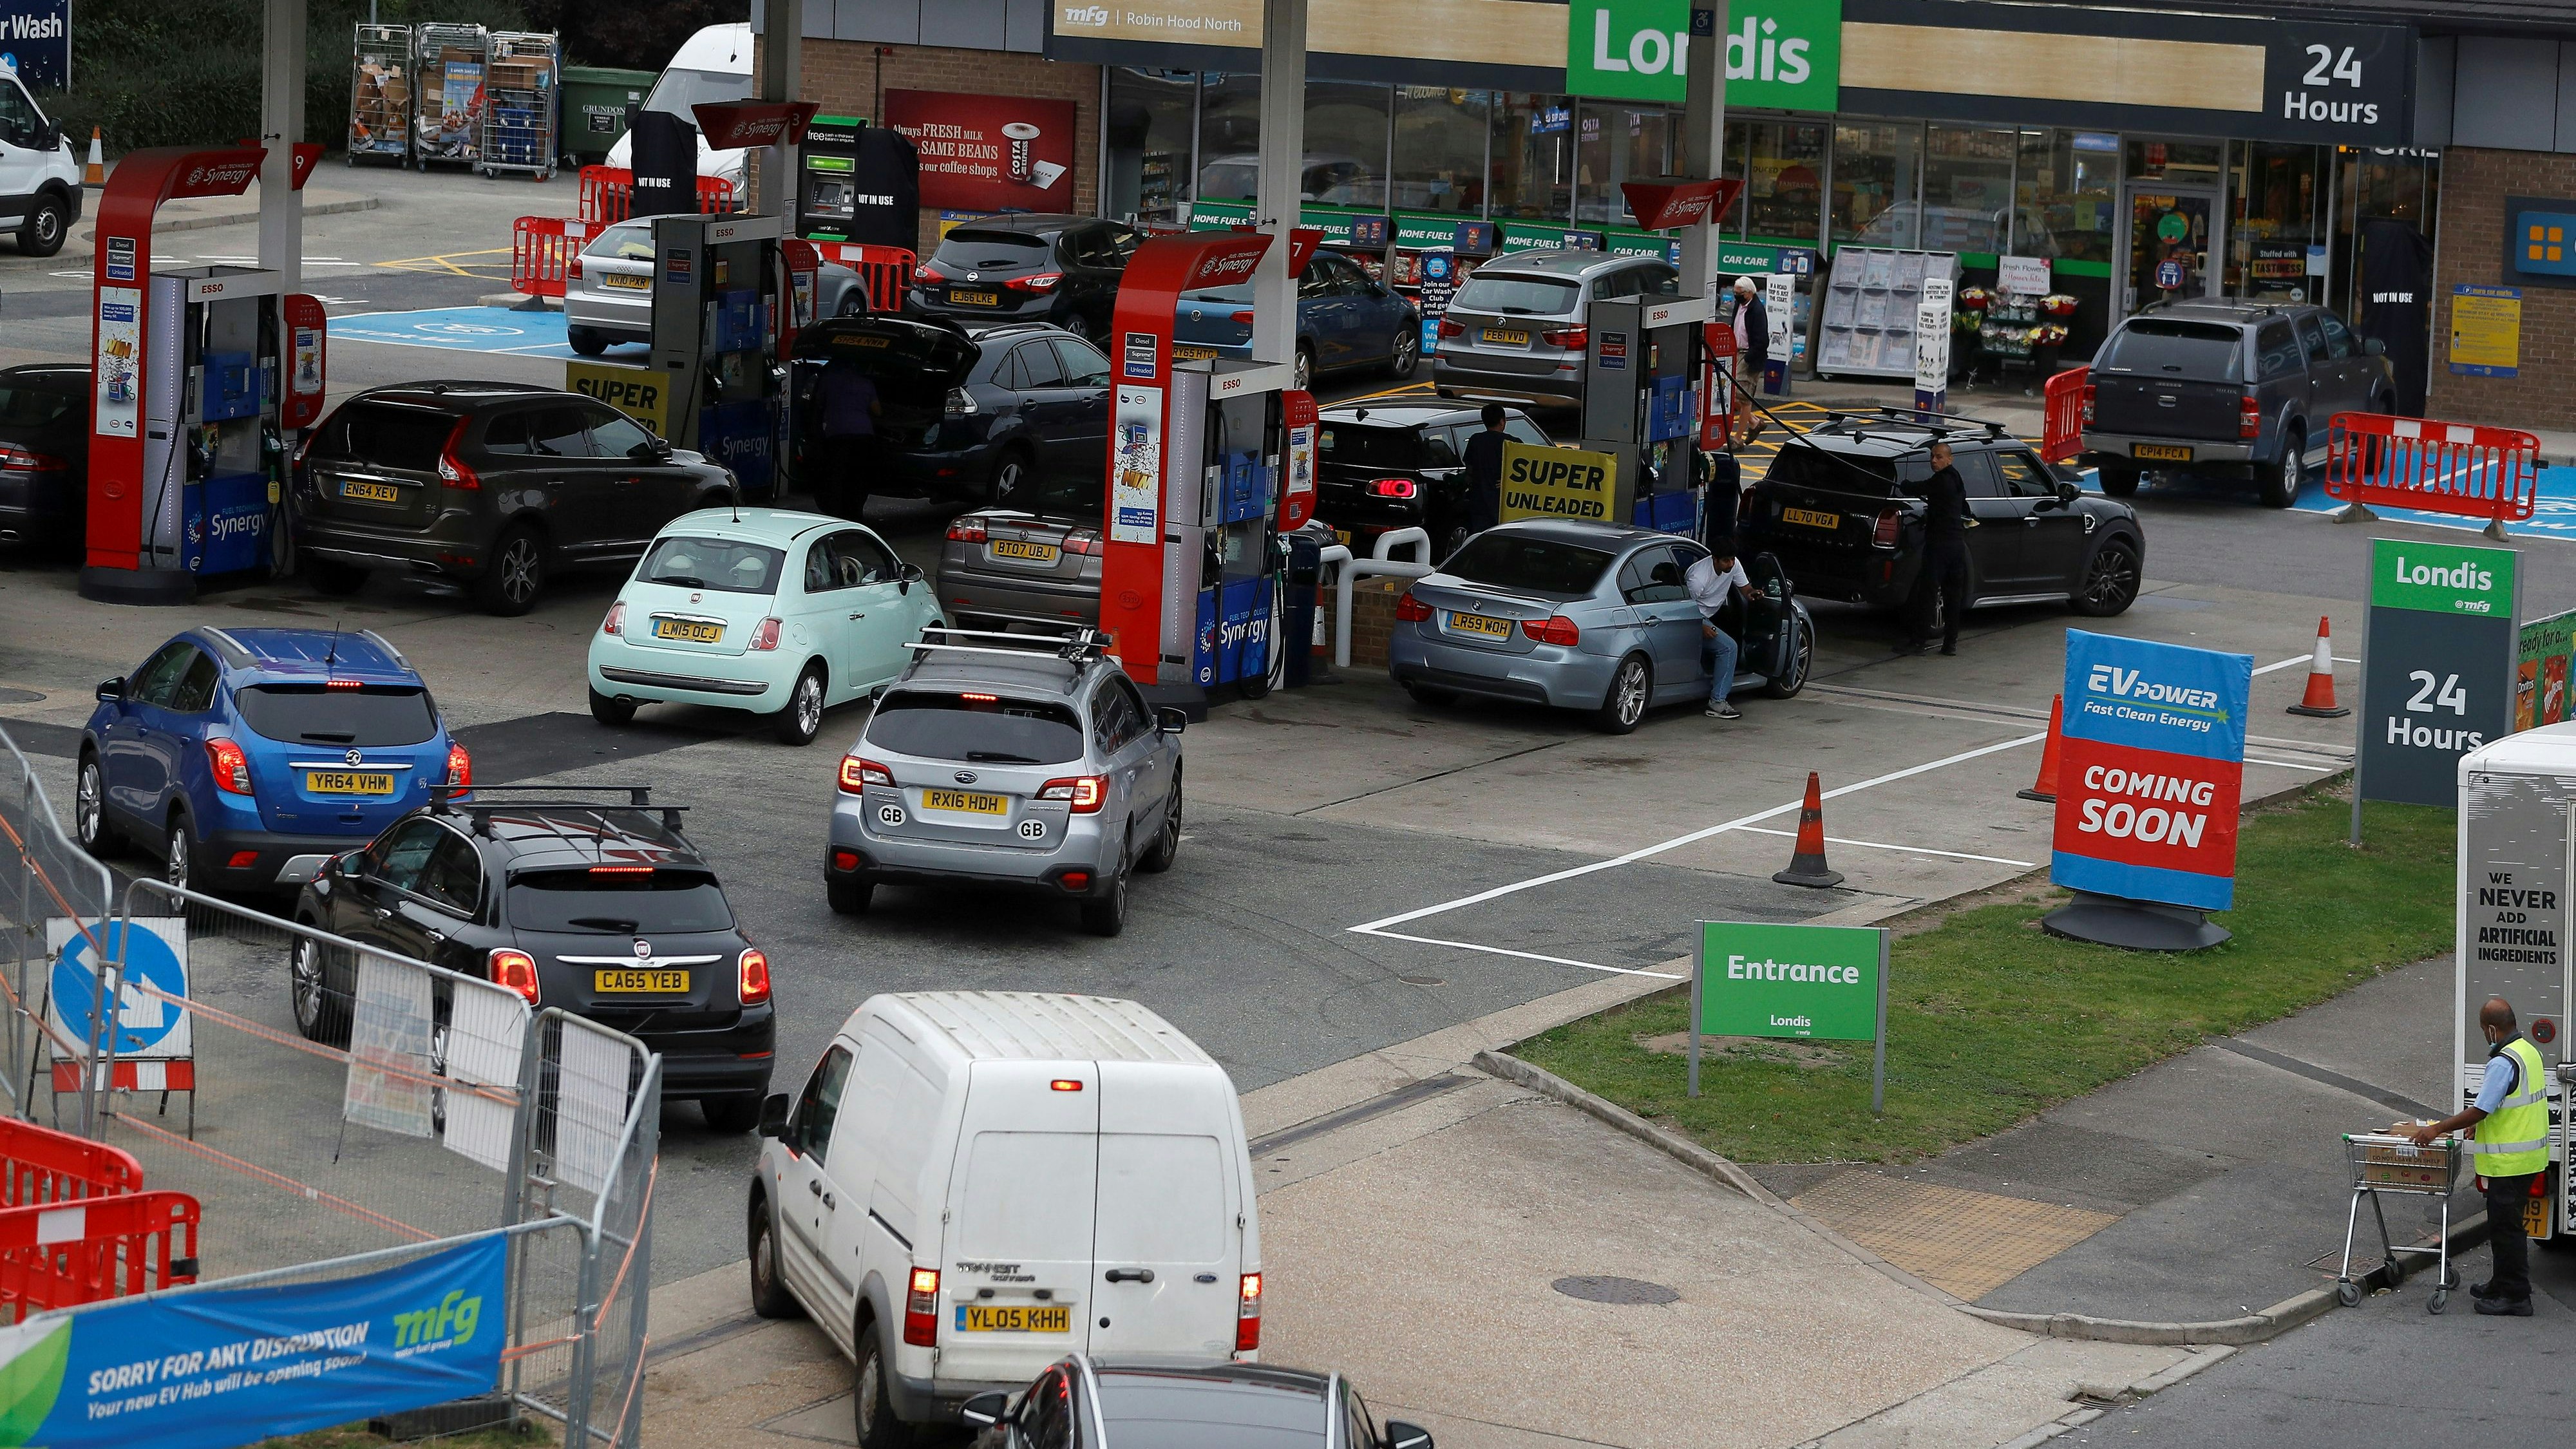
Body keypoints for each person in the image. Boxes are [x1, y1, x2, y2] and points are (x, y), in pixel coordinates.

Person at [2409, 997, 2552, 1316]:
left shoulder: (2502, 1062)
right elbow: (2508, 1105)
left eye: (2483, 1029)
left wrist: (2437, 1130)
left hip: (2509, 1164)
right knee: (2505, 1226)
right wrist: (2478, 1125)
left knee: (2507, 1230)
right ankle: (2501, 1283)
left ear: (2492, 1029)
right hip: (2528, 1160)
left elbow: (2481, 1109)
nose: (2484, 1035)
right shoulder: (2529, 1051)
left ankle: (2515, 1296)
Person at [1901, 440, 1973, 656]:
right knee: (1953, 596)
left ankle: (1918, 642)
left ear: (1949, 459)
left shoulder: (1941, 480)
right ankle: (1950, 643)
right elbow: (1958, 506)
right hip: (1957, 545)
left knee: (1928, 594)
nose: (1934, 461)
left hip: (1939, 546)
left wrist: (1905, 485)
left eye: (1939, 457)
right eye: (1932, 457)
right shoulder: (1957, 479)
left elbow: (1919, 487)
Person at [1686, 538, 1759, 721]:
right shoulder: (1697, 578)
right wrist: (1701, 626)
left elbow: (1745, 588)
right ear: (1715, 559)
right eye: (1726, 561)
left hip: (1711, 614)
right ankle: (1717, 702)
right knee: (1729, 648)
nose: (1731, 564)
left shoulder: (1734, 565)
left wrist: (1753, 593)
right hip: (1693, 618)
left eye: (1732, 559)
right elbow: (1684, 609)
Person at [811, 360, 882, 520]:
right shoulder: (866, 383)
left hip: (837, 434)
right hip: (863, 435)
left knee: (837, 475)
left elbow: (818, 404)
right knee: (858, 476)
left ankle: (836, 514)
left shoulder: (828, 380)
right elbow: (877, 411)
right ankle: (855, 513)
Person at [1461, 402, 1510, 539]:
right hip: (1504, 504)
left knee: (1479, 539)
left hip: (1479, 502)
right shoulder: (1512, 443)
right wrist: (1508, 482)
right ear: (1502, 421)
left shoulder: (1475, 440)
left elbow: (1469, 470)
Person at [1731, 278, 1769, 445]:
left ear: (1749, 293)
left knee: (1743, 398)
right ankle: (1754, 422)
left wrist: (1747, 358)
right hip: (1736, 353)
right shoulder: (1739, 305)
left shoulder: (1757, 311)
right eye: (1735, 293)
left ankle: (1738, 439)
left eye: (1739, 293)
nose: (1736, 296)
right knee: (1730, 395)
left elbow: (1763, 341)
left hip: (1749, 357)